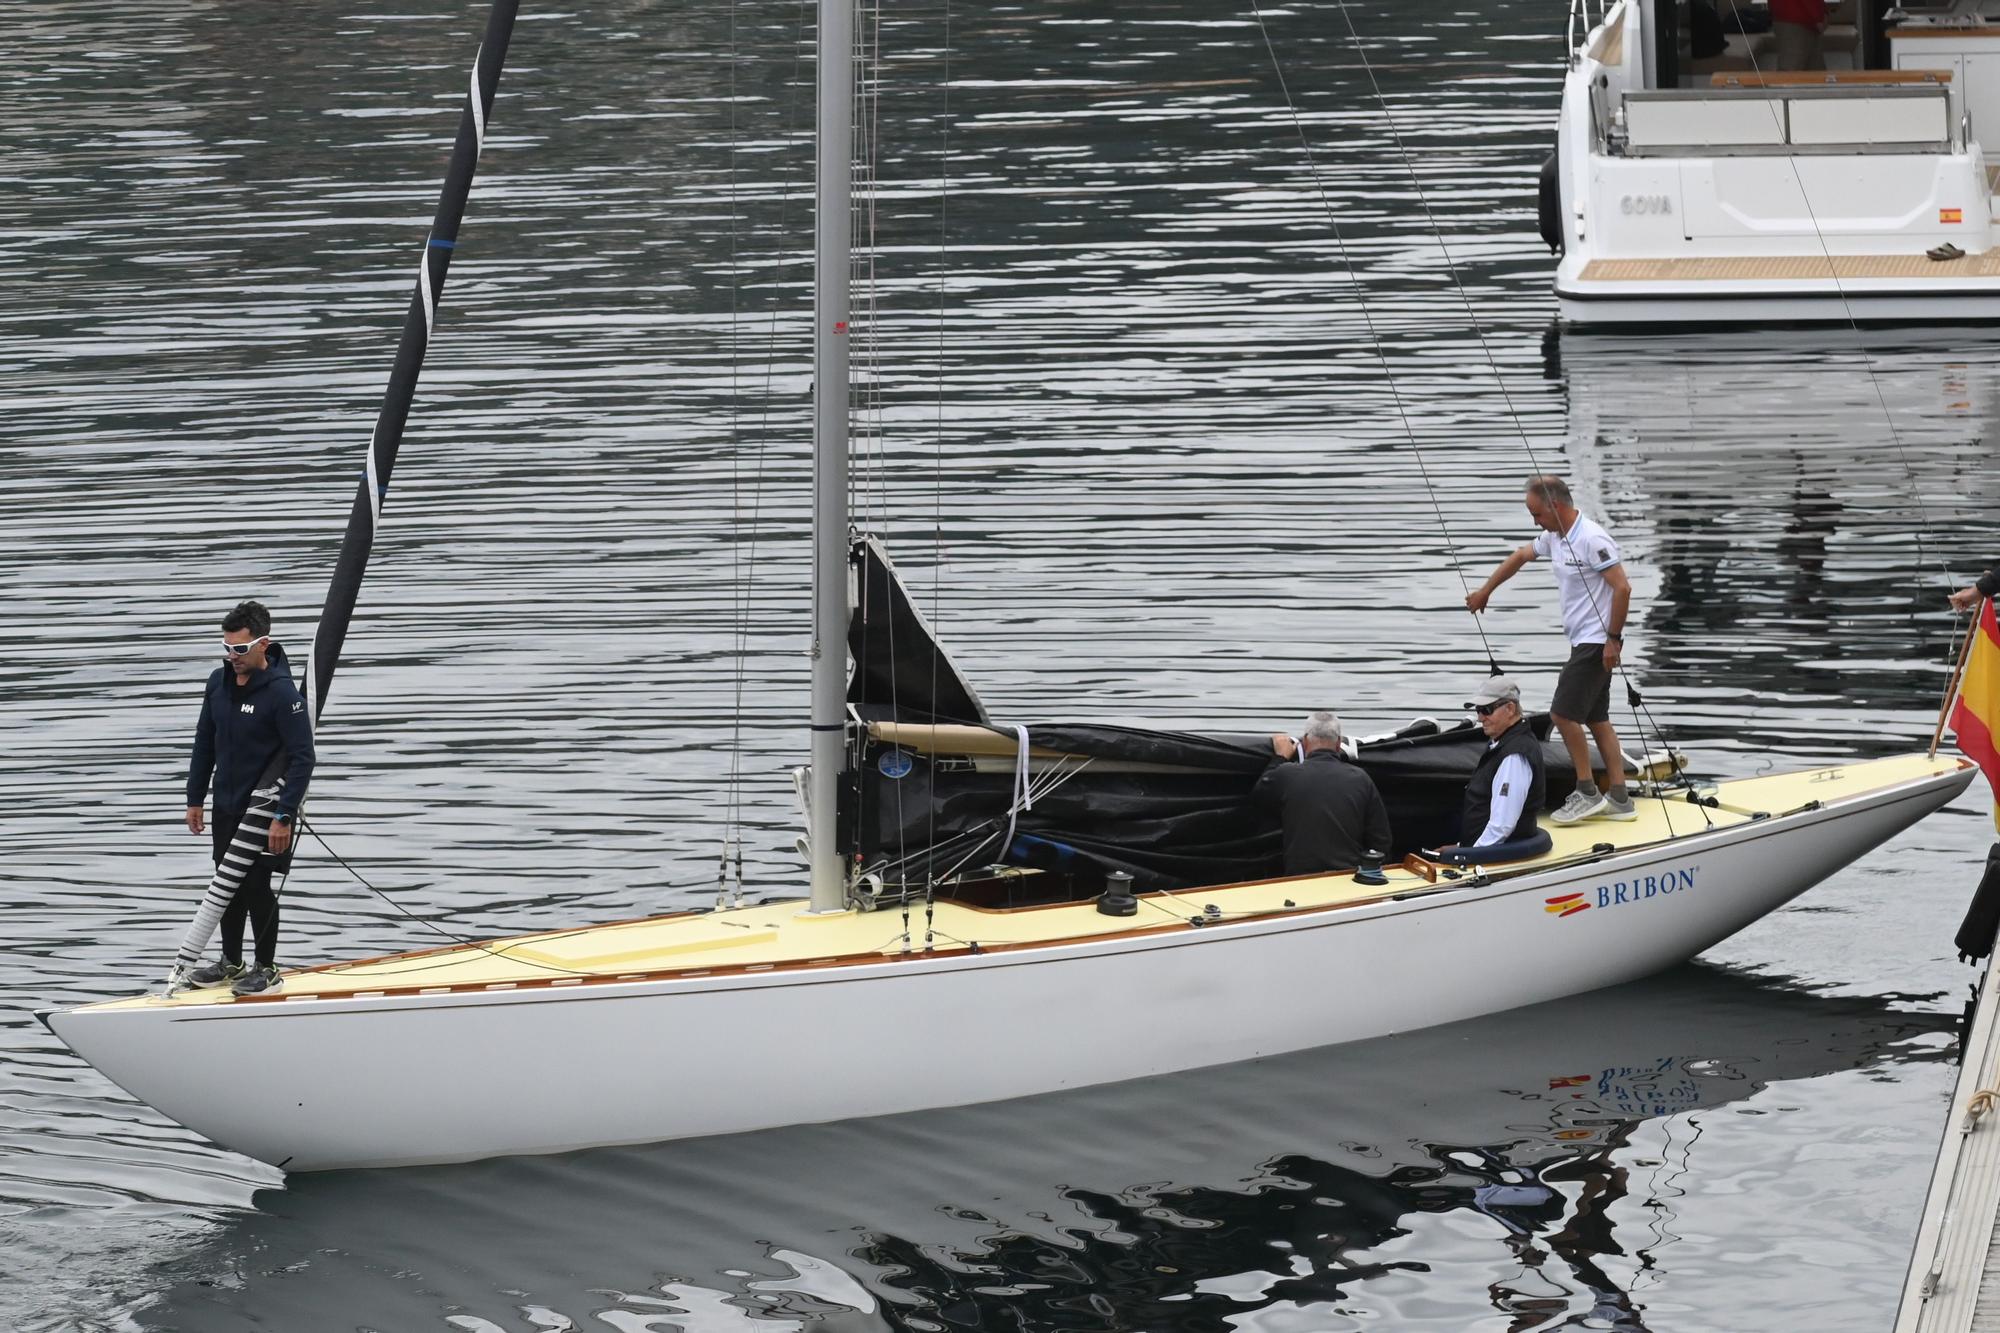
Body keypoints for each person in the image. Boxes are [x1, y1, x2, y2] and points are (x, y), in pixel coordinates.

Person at [1465, 475, 1637, 824]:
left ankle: (1587, 790)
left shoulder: (1591, 539)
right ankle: (1620, 797)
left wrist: (1613, 640)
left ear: (1556, 507)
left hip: (1595, 641)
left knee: (1562, 715)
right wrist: (1486, 591)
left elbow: (1623, 588)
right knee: (1596, 717)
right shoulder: (1554, 537)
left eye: (1537, 514)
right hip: (1584, 640)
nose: (1535, 522)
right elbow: (1520, 556)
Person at [184, 600, 315, 996]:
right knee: (227, 883)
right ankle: (231, 961)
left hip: (265, 813)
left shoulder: (281, 693)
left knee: (256, 886)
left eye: (239, 649)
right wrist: (195, 798)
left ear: (263, 645)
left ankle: (267, 967)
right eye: (226, 647)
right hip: (225, 804)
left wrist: (284, 816)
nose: (231, 656)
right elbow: (204, 742)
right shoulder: (217, 683)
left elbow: (303, 758)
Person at [1254, 711, 1394, 876]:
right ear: (1338, 743)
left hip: (1300, 877)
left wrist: (1280, 757)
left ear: (1305, 742)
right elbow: (1381, 840)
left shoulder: (1286, 774)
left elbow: (1257, 798)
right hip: (1348, 876)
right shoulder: (1360, 778)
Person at [1435, 676, 1551, 867]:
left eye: (1487, 710)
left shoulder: (1514, 756)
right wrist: (1460, 846)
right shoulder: (1502, 744)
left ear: (1510, 709)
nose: (1480, 718)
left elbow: (1502, 826)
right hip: (1480, 848)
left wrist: (1468, 856)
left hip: (1494, 860)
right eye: (1478, 710)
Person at [1769, 0, 1827, 71]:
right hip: (1797, 16)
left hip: (1795, 16)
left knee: (1814, 69)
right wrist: (1818, 16)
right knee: (1792, 71)